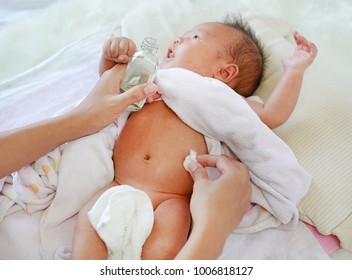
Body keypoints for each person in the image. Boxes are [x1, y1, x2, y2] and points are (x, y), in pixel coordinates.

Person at [71, 15, 317, 259]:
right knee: (89, 221)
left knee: (164, 249)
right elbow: (109, 85)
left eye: (195, 37)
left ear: (224, 72)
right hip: (119, 183)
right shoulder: (152, 72)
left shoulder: (221, 98)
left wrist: (294, 70)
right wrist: (111, 57)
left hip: (172, 200)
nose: (178, 39)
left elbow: (271, 116)